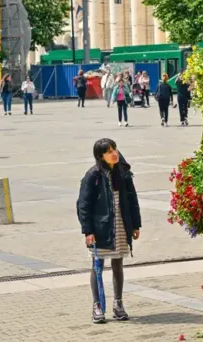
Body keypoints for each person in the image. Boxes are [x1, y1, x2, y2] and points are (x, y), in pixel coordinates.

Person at [77, 138, 142, 324]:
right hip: (100, 228)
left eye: (115, 149)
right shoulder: (93, 175)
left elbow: (132, 201)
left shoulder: (124, 173)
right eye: (108, 151)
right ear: (100, 156)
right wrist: (88, 231)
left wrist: (135, 225)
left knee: (118, 265)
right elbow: (83, 205)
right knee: (97, 267)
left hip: (121, 224)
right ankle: (97, 306)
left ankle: (118, 304)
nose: (114, 153)